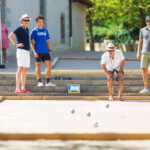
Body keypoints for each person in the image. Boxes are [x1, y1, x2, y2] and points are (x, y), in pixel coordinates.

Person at [8, 14, 31, 93]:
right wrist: (16, 44)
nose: (26, 21)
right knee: (20, 68)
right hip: (21, 51)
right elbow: (10, 36)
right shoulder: (19, 28)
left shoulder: (27, 29)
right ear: (22, 21)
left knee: (25, 70)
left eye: (28, 20)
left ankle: (23, 88)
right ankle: (17, 88)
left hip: (27, 51)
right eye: (25, 20)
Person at [31, 15, 56, 87]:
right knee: (38, 65)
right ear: (36, 22)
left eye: (42, 22)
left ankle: (48, 82)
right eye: (39, 22)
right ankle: (39, 82)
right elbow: (32, 42)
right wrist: (34, 52)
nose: (40, 23)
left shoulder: (45, 30)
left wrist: (49, 50)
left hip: (46, 51)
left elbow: (47, 41)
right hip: (38, 51)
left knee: (49, 65)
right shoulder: (34, 31)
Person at [137, 16, 150, 94]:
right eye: (147, 21)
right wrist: (138, 52)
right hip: (144, 52)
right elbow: (140, 42)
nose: (148, 22)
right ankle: (146, 88)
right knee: (144, 70)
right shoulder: (142, 30)